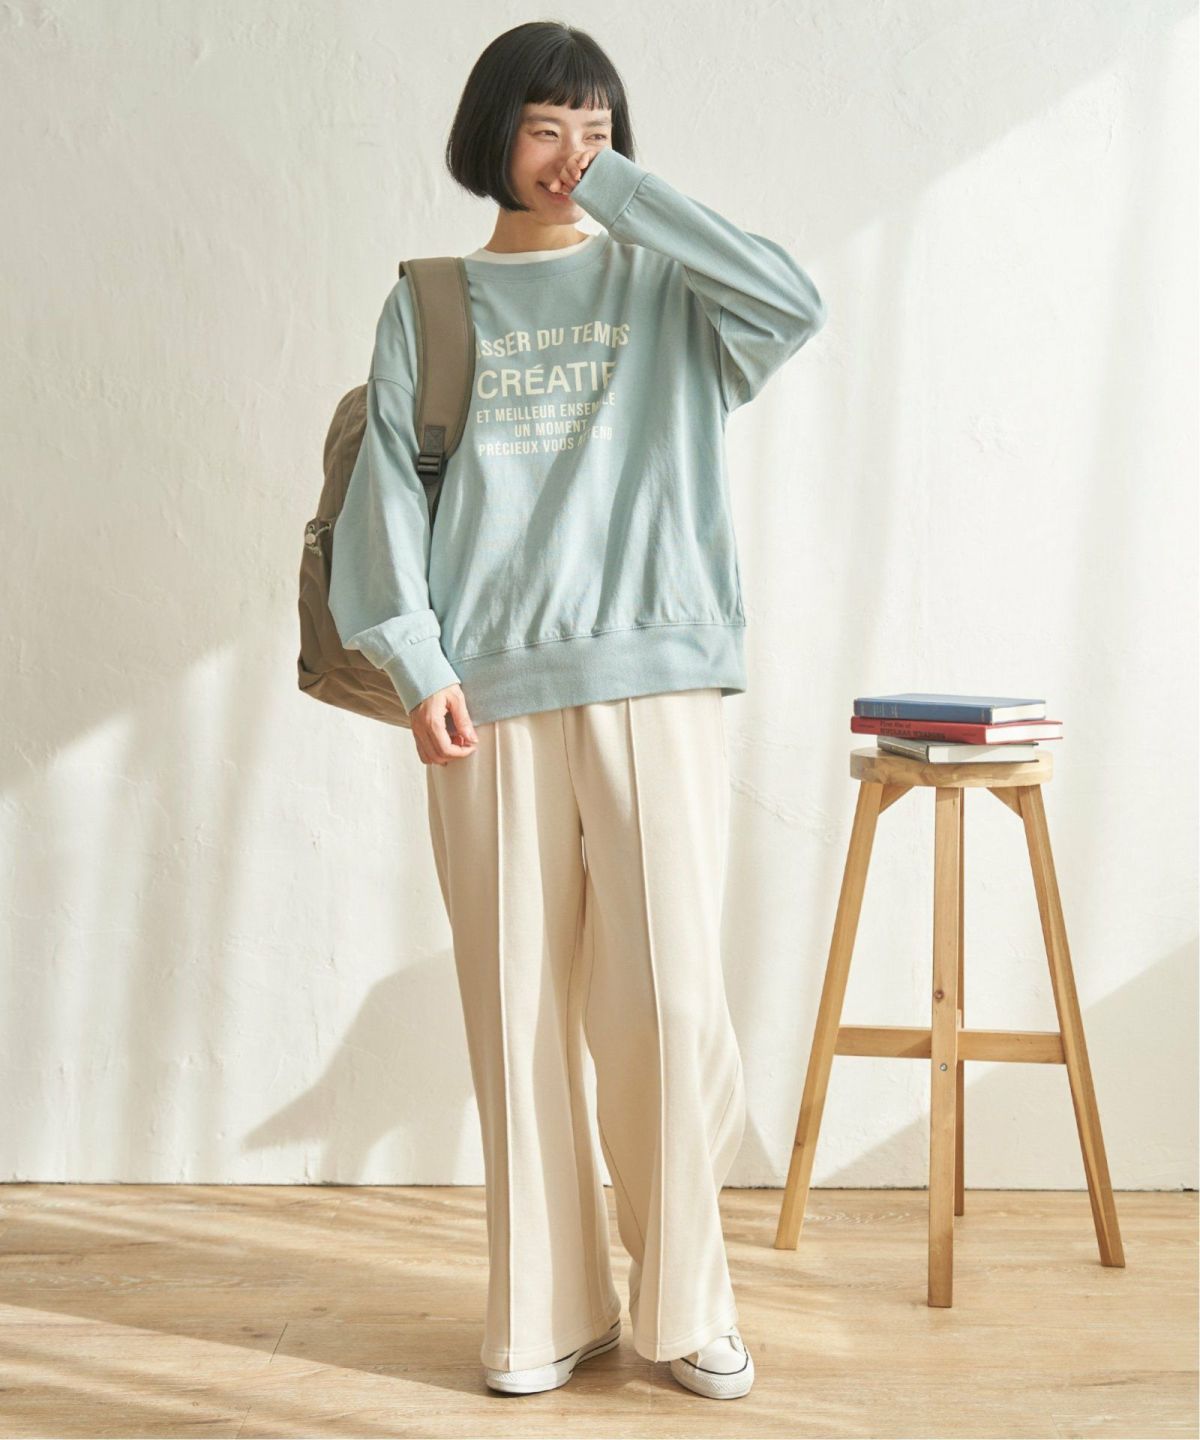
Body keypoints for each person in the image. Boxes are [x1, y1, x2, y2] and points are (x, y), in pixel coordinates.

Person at [328, 19, 826, 1402]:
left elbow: (792, 303)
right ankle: (548, 1312)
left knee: (669, 1003)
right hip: (484, 697)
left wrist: (625, 193)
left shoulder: (668, 282)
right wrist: (417, 663)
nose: (570, 156)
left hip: (655, 677)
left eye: (597, 131)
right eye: (547, 129)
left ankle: (687, 1305)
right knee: (518, 1013)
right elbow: (387, 496)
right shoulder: (432, 303)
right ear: (493, 137)